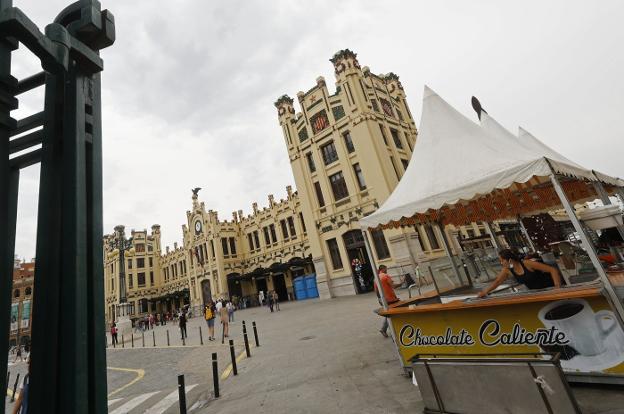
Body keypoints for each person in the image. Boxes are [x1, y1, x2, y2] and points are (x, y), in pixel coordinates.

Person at [478, 249, 562, 298]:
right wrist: (484, 292)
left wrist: (557, 287)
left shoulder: (527, 263)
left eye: (502, 260)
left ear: (510, 260)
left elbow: (553, 270)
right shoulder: (507, 269)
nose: (501, 263)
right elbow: (497, 282)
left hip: (550, 288)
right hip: (537, 293)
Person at [374, 265, 404, 338]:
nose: (387, 270)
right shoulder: (385, 276)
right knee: (394, 312)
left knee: (389, 313)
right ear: (383, 269)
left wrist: (380, 299)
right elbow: (394, 286)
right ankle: (393, 331)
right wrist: (402, 283)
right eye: (386, 268)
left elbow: (376, 291)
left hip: (384, 300)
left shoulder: (376, 278)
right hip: (391, 299)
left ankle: (384, 329)